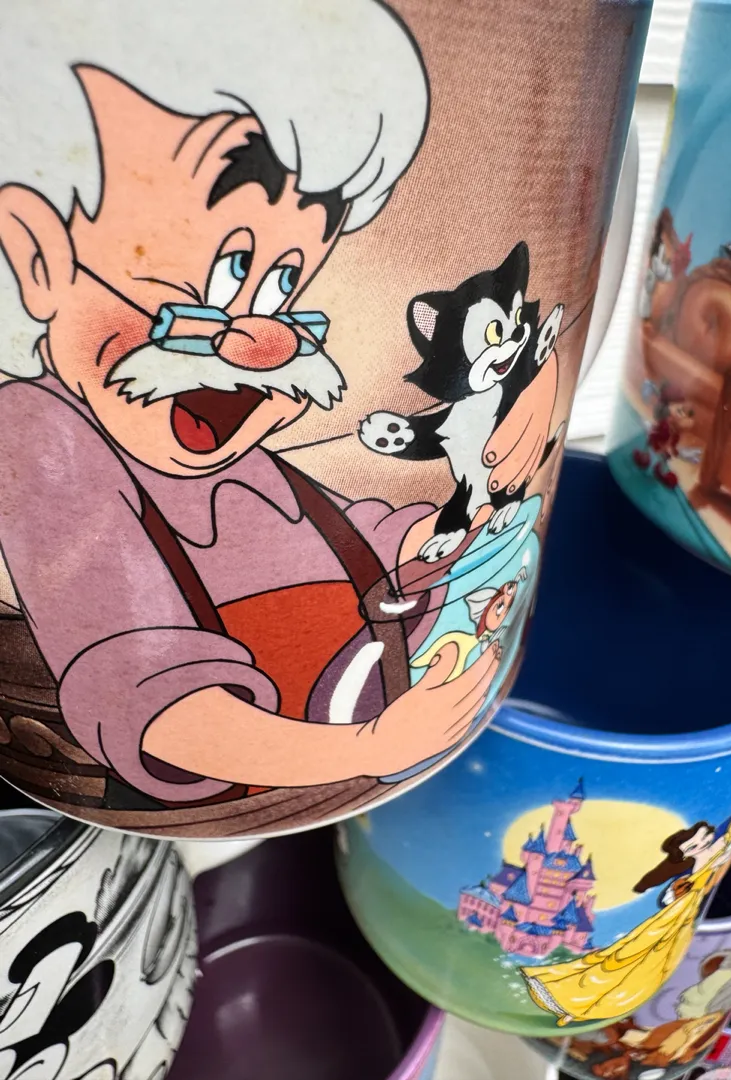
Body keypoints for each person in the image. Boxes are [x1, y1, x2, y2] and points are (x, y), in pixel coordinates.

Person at [0, 1, 554, 808]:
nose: (260, 340)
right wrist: (368, 747)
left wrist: (445, 542)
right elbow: (149, 691)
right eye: (225, 272)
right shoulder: (42, 437)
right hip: (243, 789)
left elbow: (343, 537)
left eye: (283, 283)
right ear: (41, 257)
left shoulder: (224, 445)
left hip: (343, 744)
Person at [521, 820, 731, 1026]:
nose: (702, 844)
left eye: (703, 838)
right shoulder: (704, 860)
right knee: (633, 954)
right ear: (685, 854)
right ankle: (574, 999)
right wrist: (678, 891)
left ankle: (583, 1006)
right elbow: (680, 888)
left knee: (649, 960)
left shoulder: (716, 849)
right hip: (675, 914)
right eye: (693, 845)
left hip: (683, 915)